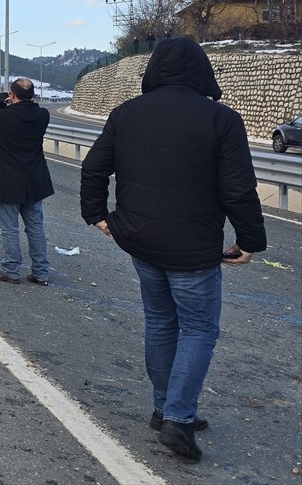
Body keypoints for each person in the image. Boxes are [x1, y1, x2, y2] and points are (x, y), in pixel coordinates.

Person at [79, 37, 265, 463]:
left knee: (161, 323)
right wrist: (250, 240)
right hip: (194, 247)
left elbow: (93, 169)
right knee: (198, 329)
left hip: (141, 240)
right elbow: (239, 188)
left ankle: (165, 409)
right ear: (202, 71)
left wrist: (98, 216)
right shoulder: (221, 119)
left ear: (154, 69)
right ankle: (179, 419)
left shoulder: (126, 113)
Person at [0, 78, 53, 286]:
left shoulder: (3, 117)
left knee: (9, 228)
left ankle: (11, 270)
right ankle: (41, 273)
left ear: (13, 94)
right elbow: (19, 118)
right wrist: (7, 106)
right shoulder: (43, 115)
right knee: (35, 227)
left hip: (7, 182)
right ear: (33, 95)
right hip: (34, 180)